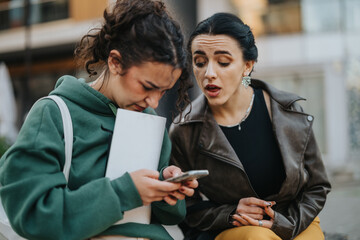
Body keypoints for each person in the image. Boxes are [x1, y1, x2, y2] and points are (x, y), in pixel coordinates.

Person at [0, 0, 197, 239]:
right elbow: (32, 214)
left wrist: (166, 191)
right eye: (147, 86)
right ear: (115, 62)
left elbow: (167, 217)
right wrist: (125, 191)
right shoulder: (53, 114)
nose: (154, 102)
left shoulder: (149, 121)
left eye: (163, 91)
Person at [169, 12, 331, 240]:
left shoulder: (289, 112)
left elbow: (318, 187)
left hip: (295, 220)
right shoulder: (184, 130)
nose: (209, 73)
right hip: (235, 229)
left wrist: (284, 224)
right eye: (200, 62)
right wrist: (230, 213)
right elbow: (186, 207)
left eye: (223, 62)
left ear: (247, 65)